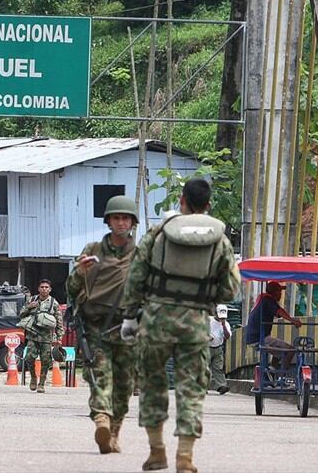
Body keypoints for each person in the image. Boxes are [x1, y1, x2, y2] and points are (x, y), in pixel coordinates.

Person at [121, 178, 240, 473]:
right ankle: (185, 456)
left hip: (156, 321)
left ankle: (156, 451)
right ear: (208, 205)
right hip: (196, 324)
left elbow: (135, 277)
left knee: (152, 385)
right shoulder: (219, 240)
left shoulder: (158, 233)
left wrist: (129, 317)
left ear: (182, 201)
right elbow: (230, 290)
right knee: (191, 389)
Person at [65, 195, 139, 454]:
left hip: (129, 328)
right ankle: (101, 421)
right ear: (108, 221)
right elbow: (72, 291)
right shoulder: (92, 251)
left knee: (125, 385)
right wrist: (80, 272)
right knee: (101, 378)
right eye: (116, 217)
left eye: (125, 218)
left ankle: (114, 431)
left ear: (132, 222)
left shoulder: (140, 257)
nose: (121, 222)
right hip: (96, 327)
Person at [244, 281, 302, 370]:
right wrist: (293, 321)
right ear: (274, 293)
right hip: (259, 338)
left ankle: (271, 371)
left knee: (279, 350)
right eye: (280, 292)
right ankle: (281, 377)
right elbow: (279, 311)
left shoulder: (262, 299)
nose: (281, 294)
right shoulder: (268, 300)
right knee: (290, 350)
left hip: (255, 337)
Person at [19, 279, 64, 393]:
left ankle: (42, 383)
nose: (44, 289)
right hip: (32, 335)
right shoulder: (32, 300)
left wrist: (59, 338)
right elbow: (21, 314)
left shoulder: (54, 303)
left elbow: (59, 322)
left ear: (50, 289)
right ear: (39, 289)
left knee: (46, 361)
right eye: (42, 287)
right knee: (29, 357)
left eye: (46, 287)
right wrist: (29, 307)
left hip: (46, 337)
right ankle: (33, 377)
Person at [208, 304, 231, 395]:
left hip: (218, 348)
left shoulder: (226, 324)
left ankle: (221, 386)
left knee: (218, 368)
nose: (221, 318)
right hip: (207, 347)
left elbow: (227, 336)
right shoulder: (209, 320)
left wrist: (224, 325)